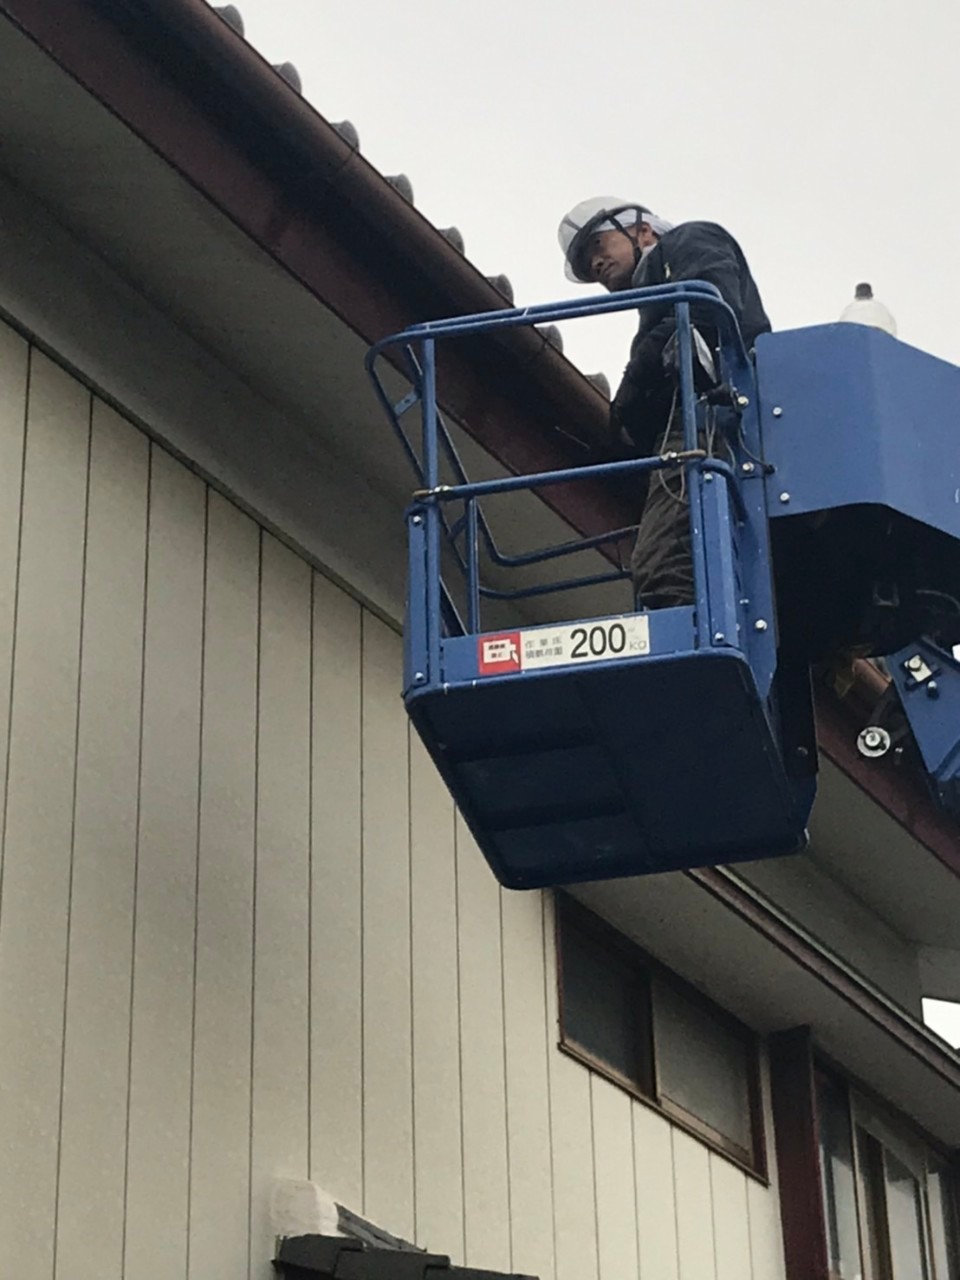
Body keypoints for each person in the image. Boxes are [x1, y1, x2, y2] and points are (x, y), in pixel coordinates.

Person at [557, 198, 771, 608]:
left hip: (713, 415)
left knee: (663, 561)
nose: (595, 264)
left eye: (599, 246)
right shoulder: (654, 298)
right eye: (586, 264)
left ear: (643, 230)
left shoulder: (690, 240)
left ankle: (687, 640)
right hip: (711, 418)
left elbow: (709, 307)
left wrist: (635, 382)